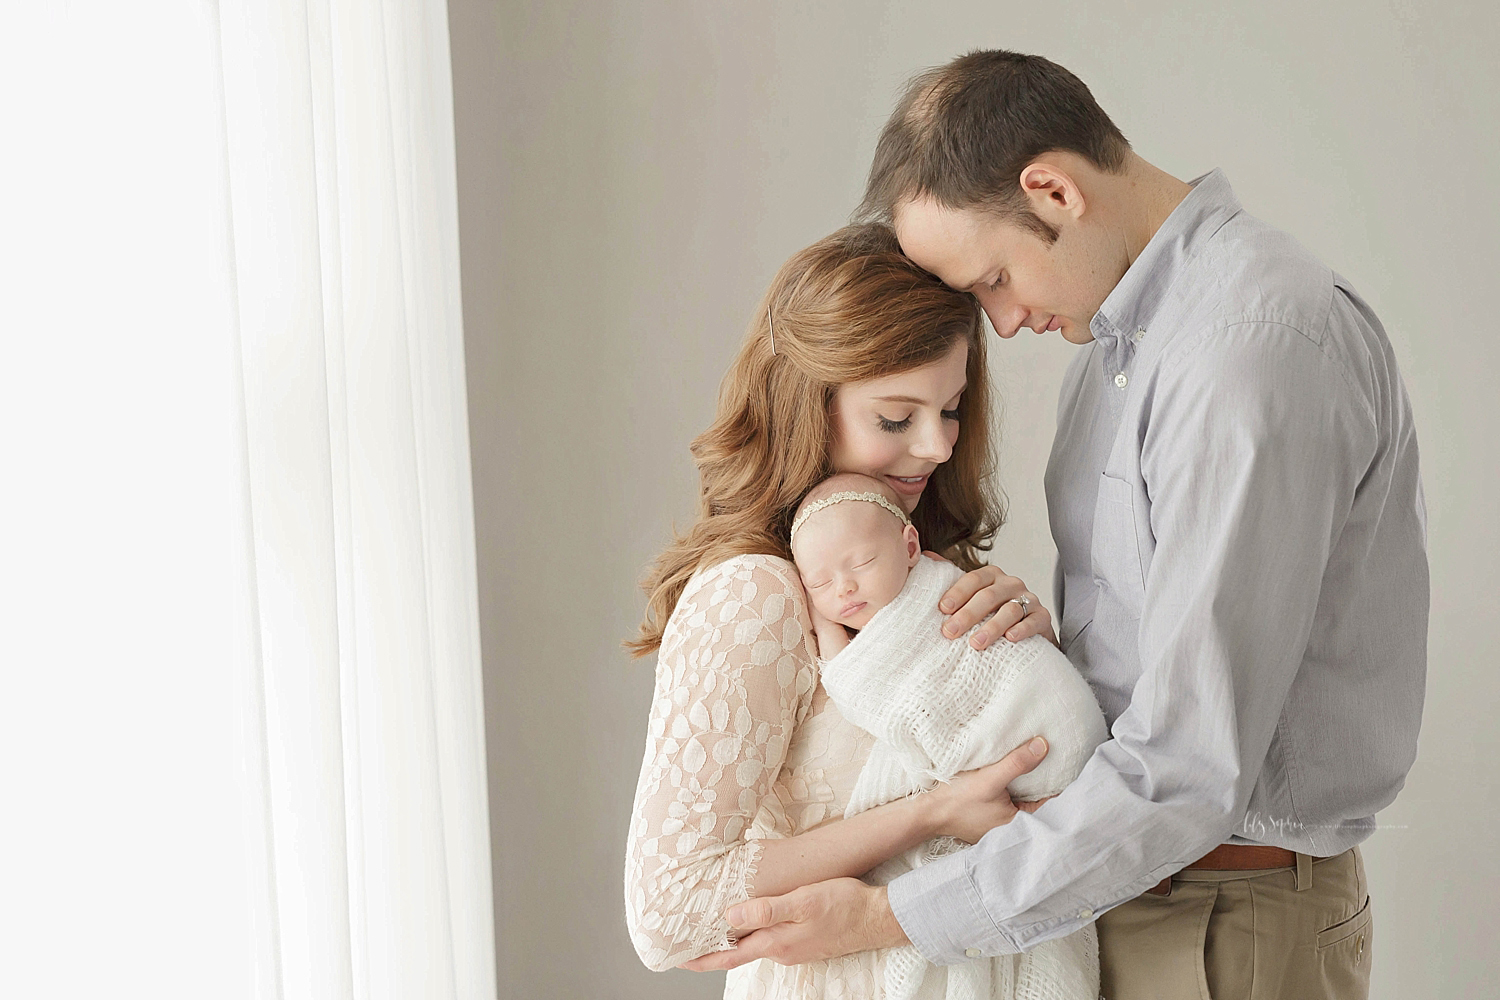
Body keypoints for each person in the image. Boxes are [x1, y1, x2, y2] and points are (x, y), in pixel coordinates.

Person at [687, 50, 1428, 1000]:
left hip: (1215, 922)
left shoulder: (1248, 350)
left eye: (994, 277)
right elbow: (1164, 657)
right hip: (1109, 895)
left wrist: (890, 918)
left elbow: (1192, 764)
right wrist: (1035, 642)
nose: (998, 322)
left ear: (1054, 191)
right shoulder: (1126, 346)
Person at [623, 223, 1063, 999]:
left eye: (951, 410)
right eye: (896, 419)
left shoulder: (918, 575)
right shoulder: (755, 595)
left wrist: (1032, 664)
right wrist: (930, 813)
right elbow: (669, 910)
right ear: (804, 406)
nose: (934, 446)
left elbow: (1032, 804)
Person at [788, 471, 1108, 1000]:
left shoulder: (941, 594)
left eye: (861, 564)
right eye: (818, 584)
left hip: (1048, 737)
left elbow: (871, 691)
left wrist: (830, 642)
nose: (842, 588)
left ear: (910, 546)